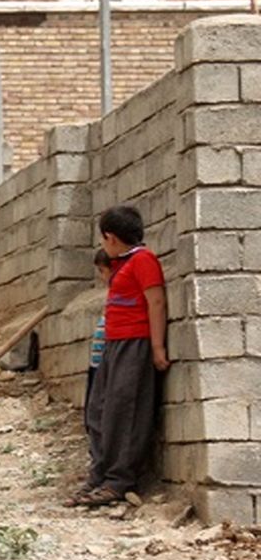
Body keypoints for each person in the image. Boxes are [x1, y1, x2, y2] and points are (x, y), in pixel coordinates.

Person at [69, 205, 169, 508]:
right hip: (114, 344)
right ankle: (99, 474)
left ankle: (118, 480)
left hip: (134, 343)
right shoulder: (122, 264)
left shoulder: (143, 260)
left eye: (102, 239)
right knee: (100, 411)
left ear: (110, 237)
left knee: (124, 411)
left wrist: (157, 348)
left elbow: (156, 302)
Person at [64, 249, 112, 507]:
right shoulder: (113, 296)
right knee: (92, 418)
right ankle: (97, 472)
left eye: (103, 272)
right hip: (97, 365)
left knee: (97, 419)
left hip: (105, 365)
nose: (102, 278)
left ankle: (100, 475)